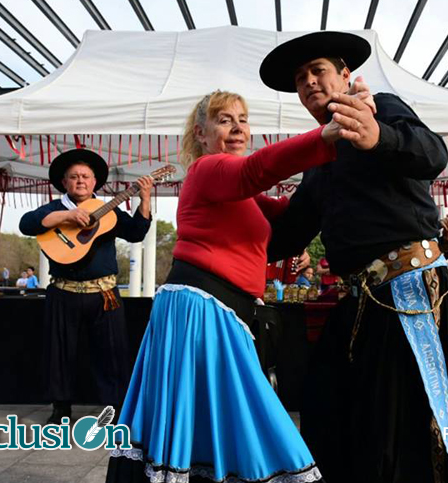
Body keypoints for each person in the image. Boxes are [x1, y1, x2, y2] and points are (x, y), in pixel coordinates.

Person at [106, 90, 366, 483]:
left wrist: (345, 165)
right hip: (202, 309)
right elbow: (255, 170)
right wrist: (323, 138)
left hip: (222, 312)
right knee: (250, 417)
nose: (238, 127)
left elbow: (296, 217)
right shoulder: (208, 170)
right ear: (201, 133)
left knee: (216, 421)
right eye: (225, 119)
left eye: (243, 119)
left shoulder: (247, 197)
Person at [260, 32, 448, 483]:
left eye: (317, 70)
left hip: (410, 293)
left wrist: (379, 135)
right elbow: (289, 232)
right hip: (359, 303)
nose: (308, 82)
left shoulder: (380, 105)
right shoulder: (318, 157)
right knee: (328, 409)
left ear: (345, 75)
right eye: (300, 78)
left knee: (411, 424)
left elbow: (433, 154)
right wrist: (230, 204)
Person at [19, 148, 153, 425]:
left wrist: (145, 198)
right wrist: (65, 218)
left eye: (86, 176)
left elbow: (136, 233)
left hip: (104, 293)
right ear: (64, 182)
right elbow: (27, 224)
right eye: (74, 176)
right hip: (62, 291)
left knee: (112, 351)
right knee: (59, 351)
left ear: (94, 182)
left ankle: (115, 408)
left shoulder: (110, 211)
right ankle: (61, 409)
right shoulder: (54, 209)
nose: (80, 181)